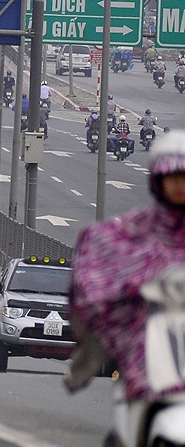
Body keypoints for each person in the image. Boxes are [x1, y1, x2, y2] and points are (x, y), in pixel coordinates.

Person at [69, 131, 185, 409]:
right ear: (157, 180)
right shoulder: (134, 228)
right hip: (148, 333)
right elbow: (96, 273)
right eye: (172, 177)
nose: (179, 185)